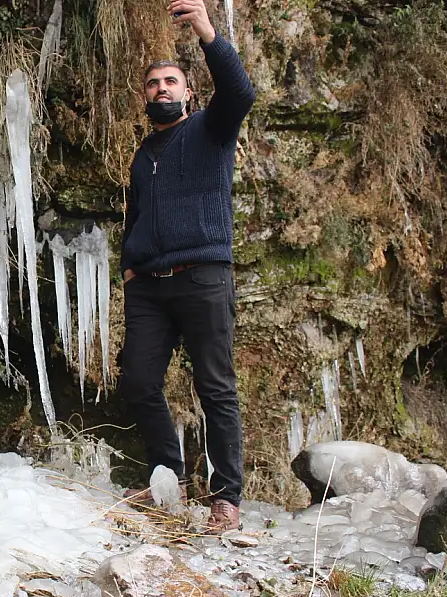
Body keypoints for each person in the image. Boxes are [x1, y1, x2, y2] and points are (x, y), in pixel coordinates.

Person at [118, 0, 255, 533]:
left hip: (203, 277)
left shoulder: (210, 131)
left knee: (215, 386)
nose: (162, 90)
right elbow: (137, 214)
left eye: (171, 82)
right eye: (153, 84)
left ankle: (226, 498)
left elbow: (240, 91)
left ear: (189, 92)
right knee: (138, 381)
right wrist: (130, 267)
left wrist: (206, 32)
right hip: (149, 285)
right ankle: (165, 478)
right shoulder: (144, 153)